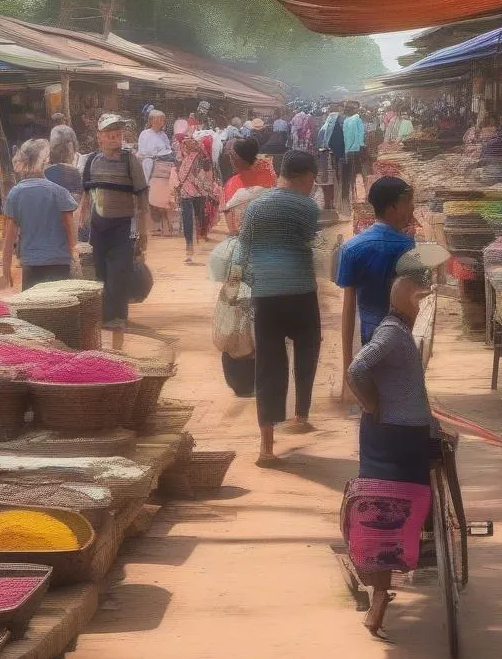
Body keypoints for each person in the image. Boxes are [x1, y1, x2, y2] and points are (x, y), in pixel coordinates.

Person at [344, 275, 440, 636]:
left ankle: (381, 593)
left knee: (380, 509)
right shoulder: (393, 333)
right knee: (409, 499)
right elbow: (357, 368)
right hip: (403, 436)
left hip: (386, 436)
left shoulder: (395, 331)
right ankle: (422, 543)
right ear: (410, 305)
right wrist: (372, 403)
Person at [236, 151, 321, 466]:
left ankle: (266, 448)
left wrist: (241, 280)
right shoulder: (308, 207)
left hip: (266, 295)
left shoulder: (256, 207)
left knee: (269, 366)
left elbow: (243, 248)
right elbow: (316, 246)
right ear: (307, 176)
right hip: (301, 292)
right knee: (307, 350)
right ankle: (301, 415)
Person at [337, 177, 416, 388]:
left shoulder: (351, 248)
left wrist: (347, 364)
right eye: (409, 202)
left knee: (373, 399)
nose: (413, 207)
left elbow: (348, 308)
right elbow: (413, 303)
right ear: (394, 206)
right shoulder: (408, 247)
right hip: (401, 335)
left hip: (369, 336)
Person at [80, 114, 149, 329]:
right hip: (98, 226)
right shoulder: (91, 160)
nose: (115, 138)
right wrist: (82, 219)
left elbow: (142, 197)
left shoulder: (130, 160)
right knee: (100, 272)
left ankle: (117, 317)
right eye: (110, 134)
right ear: (99, 136)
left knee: (119, 272)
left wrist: (144, 232)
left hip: (123, 227)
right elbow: (87, 193)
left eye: (118, 134)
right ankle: (106, 316)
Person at [1, 139, 78, 290]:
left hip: (31, 262)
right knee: (61, 308)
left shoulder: (15, 194)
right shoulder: (60, 192)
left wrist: (6, 267)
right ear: (46, 159)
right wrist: (74, 255)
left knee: (34, 311)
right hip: (59, 261)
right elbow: (70, 228)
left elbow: (9, 236)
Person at [174, 134, 217, 263]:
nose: (189, 145)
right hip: (191, 191)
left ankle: (192, 245)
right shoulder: (184, 155)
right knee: (190, 218)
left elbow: (207, 170)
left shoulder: (199, 156)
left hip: (196, 191)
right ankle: (190, 247)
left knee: (195, 217)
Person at [223, 138, 276, 204]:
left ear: (240, 159)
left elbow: (227, 209)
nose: (231, 160)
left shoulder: (233, 183)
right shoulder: (268, 170)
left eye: (232, 156)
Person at [45, 125, 83, 205]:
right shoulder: (47, 169)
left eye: (67, 150)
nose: (63, 155)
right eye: (60, 150)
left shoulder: (86, 163)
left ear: (74, 145)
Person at [317, 104, 345, 210]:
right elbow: (339, 144)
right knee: (332, 182)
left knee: (325, 182)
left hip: (323, 159)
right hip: (332, 158)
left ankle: (327, 203)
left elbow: (319, 144)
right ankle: (330, 203)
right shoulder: (336, 128)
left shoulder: (323, 128)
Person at [341, 100, 366, 203]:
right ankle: (358, 196)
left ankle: (346, 195)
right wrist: (361, 147)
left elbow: (345, 137)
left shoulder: (346, 120)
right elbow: (361, 134)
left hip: (347, 150)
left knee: (347, 173)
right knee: (357, 173)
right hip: (356, 150)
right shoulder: (357, 119)